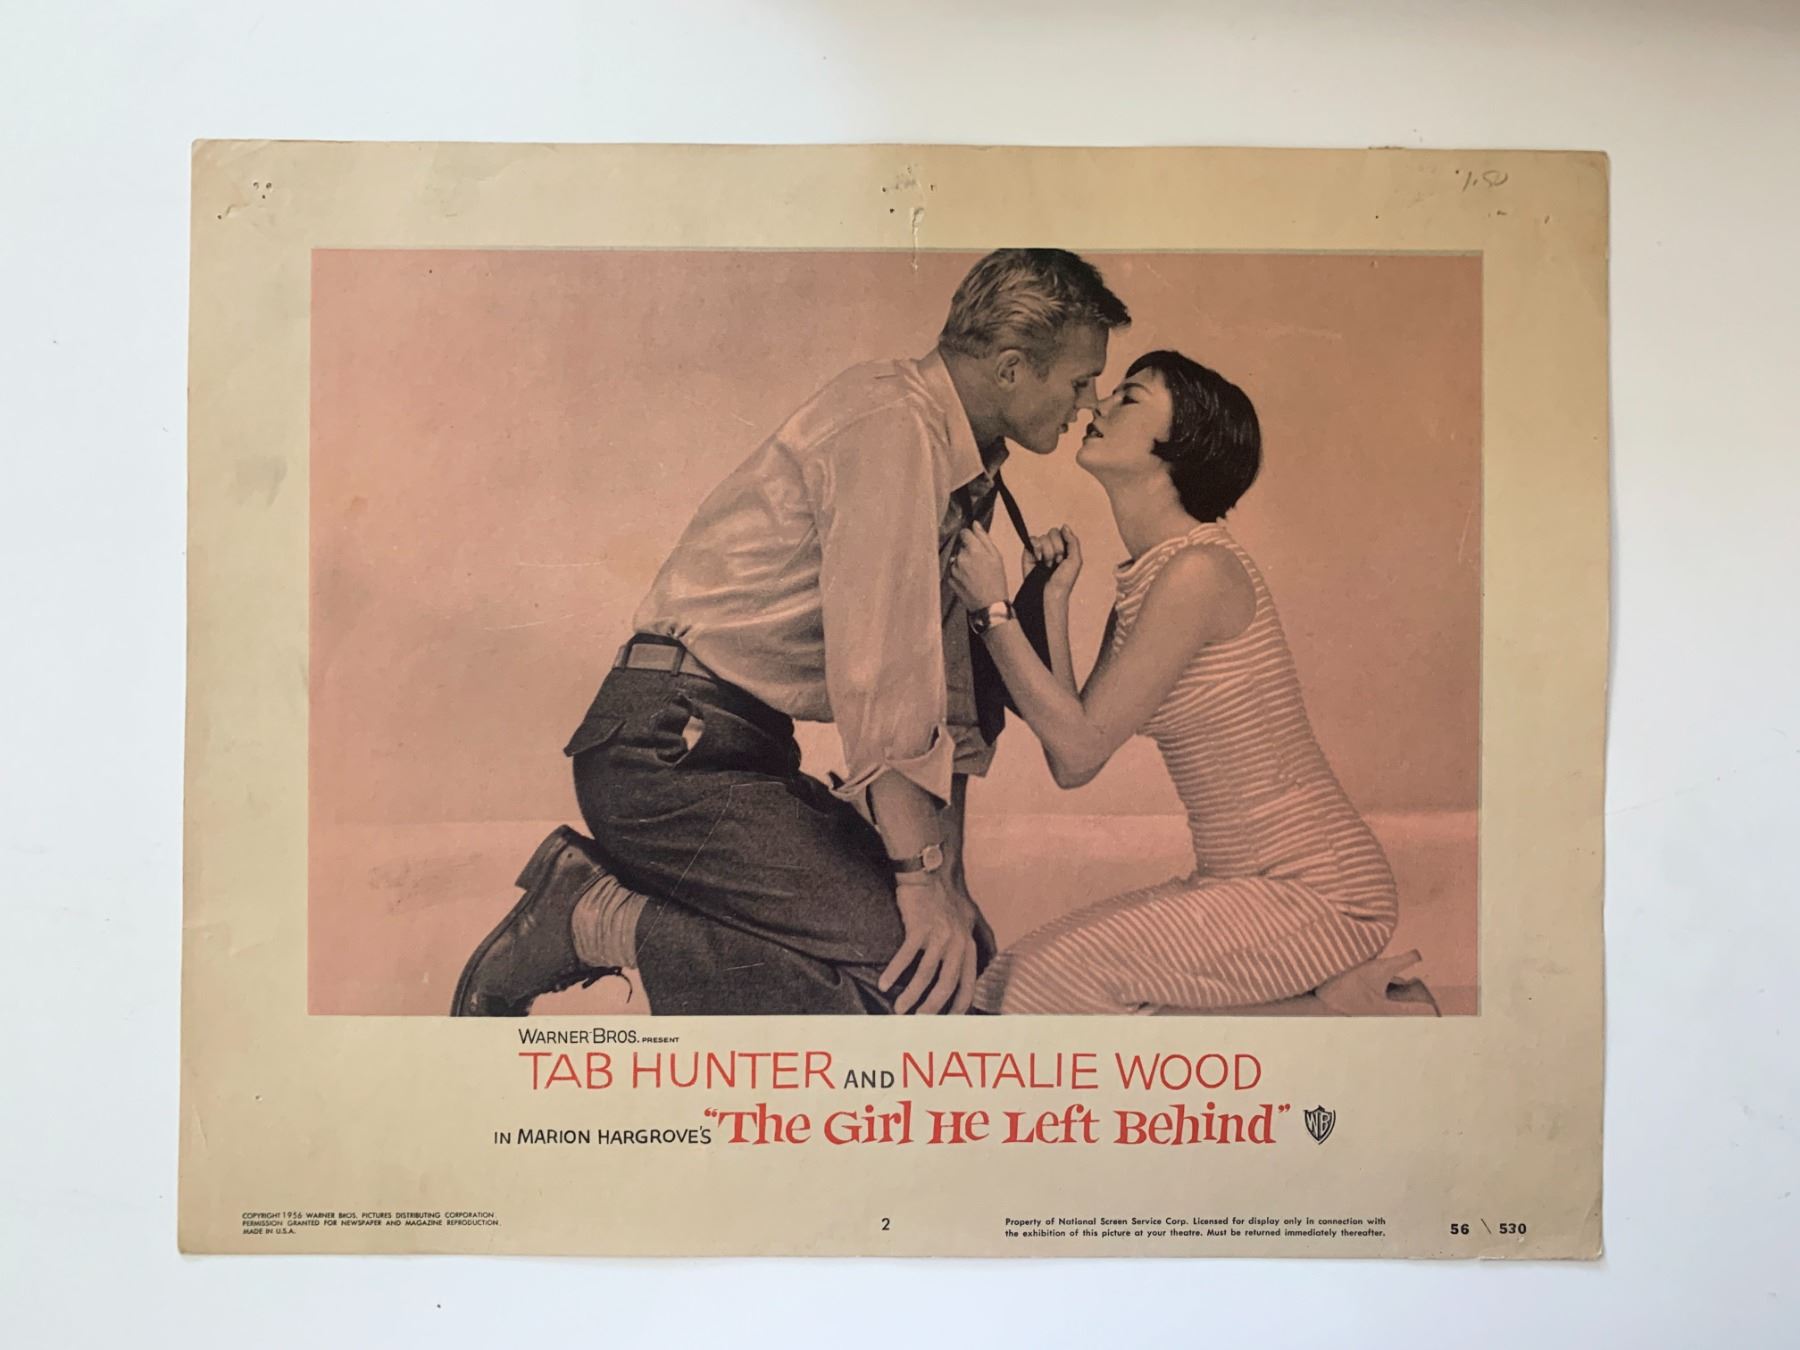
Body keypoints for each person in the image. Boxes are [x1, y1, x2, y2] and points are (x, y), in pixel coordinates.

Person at [451, 249, 1131, 1016]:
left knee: (952, 961)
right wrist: (917, 880)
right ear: (1010, 369)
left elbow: (948, 701)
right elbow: (881, 679)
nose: (1090, 403)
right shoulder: (892, 426)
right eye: (1081, 381)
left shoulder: (958, 462)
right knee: (907, 981)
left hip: (741, 756)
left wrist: (947, 885)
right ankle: (591, 919)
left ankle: (622, 915)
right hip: (665, 756)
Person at [946, 350, 1404, 1014]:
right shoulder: (1154, 577)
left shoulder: (1199, 574)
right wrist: (1051, 599)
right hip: (1246, 885)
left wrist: (993, 612)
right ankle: (1327, 1002)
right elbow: (1075, 760)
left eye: (1128, 397)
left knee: (1045, 989)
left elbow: (1076, 744)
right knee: (1014, 978)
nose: (1095, 403)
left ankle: (1337, 1009)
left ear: (1179, 443)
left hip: (1321, 895)